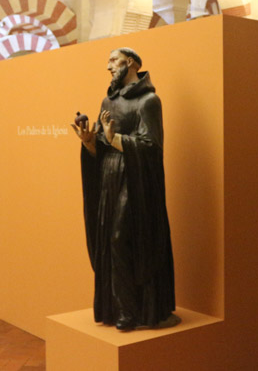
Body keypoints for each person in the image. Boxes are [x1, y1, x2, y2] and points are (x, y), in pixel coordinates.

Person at [71, 47, 175, 331]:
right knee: (108, 240)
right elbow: (102, 143)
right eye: (108, 61)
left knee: (120, 238)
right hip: (109, 178)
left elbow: (152, 146)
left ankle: (134, 311)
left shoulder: (149, 102)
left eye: (113, 61)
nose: (108, 67)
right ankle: (117, 308)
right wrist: (90, 141)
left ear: (130, 63)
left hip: (136, 180)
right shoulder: (109, 100)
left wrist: (115, 139)